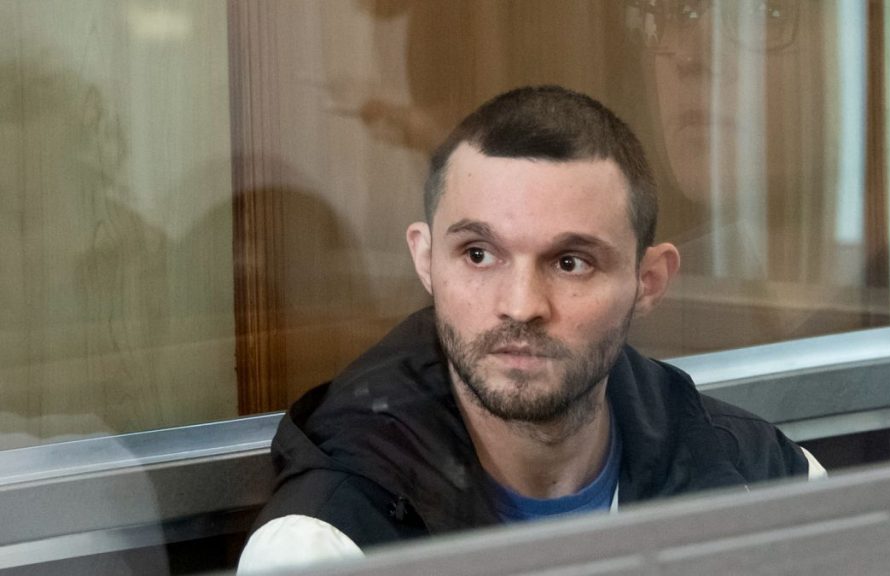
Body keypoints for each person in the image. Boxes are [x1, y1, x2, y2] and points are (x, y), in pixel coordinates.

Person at [237, 85, 825, 573]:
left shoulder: (764, 478)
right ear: (425, 261)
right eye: (478, 254)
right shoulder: (326, 545)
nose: (520, 306)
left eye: (571, 262)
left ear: (648, 282)